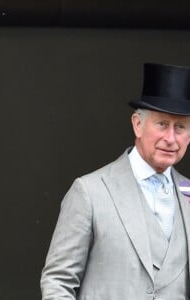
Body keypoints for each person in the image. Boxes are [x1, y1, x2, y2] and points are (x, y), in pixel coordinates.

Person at [41, 63, 190, 299]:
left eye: (180, 127)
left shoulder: (188, 195)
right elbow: (57, 282)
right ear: (138, 124)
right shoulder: (90, 192)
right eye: (162, 124)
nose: (170, 138)